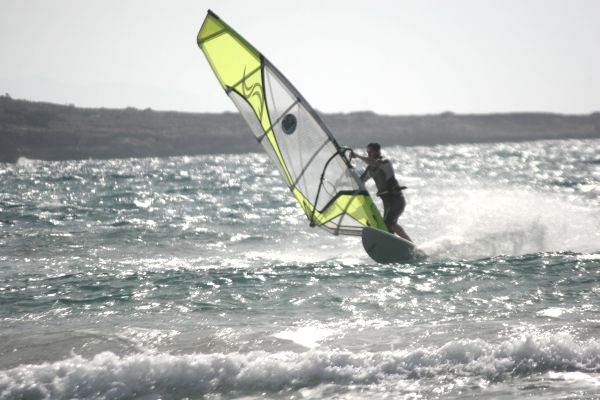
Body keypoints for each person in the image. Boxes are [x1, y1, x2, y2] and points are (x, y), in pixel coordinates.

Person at [350, 142, 413, 242]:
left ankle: (411, 245)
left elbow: (374, 163)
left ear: (378, 151)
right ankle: (398, 247)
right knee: (386, 228)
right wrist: (349, 171)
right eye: (368, 152)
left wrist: (357, 156)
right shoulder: (370, 169)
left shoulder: (385, 163)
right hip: (387, 202)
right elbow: (360, 181)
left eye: (371, 152)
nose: (369, 154)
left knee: (389, 223)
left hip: (396, 199)